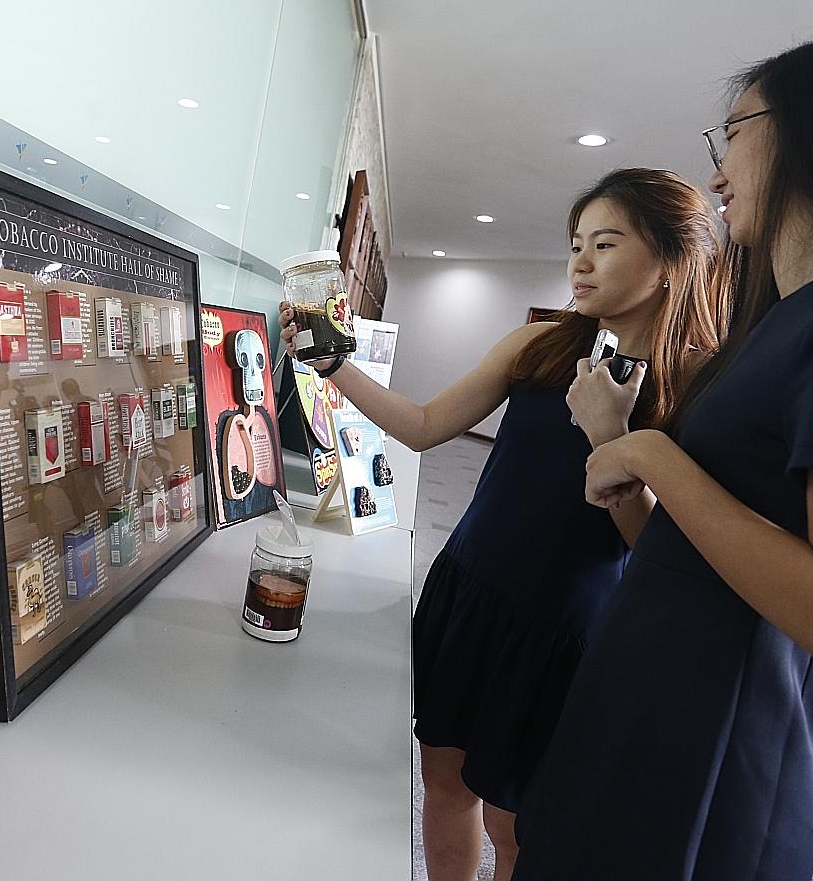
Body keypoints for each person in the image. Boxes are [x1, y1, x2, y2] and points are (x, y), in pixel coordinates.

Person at [511, 23, 813, 881]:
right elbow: (694, 555)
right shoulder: (781, 320)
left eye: (735, 132)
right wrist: (623, 453)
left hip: (709, 745)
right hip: (645, 696)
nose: (718, 172)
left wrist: (653, 456)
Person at [281, 167, 728, 881]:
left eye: (605, 245)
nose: (580, 262)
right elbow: (425, 426)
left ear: (672, 260)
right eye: (576, 243)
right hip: (469, 595)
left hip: (565, 635)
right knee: (446, 790)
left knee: (515, 825)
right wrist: (334, 365)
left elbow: (663, 554)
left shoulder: (698, 390)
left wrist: (612, 440)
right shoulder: (541, 347)